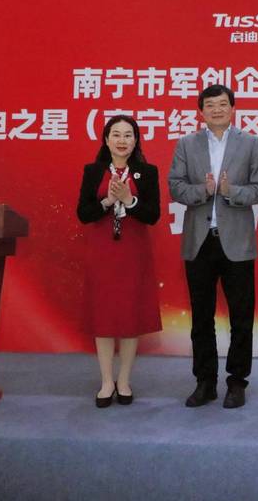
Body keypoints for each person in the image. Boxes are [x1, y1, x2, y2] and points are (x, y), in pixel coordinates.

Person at [169, 84, 258, 409]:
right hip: (199, 242)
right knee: (201, 317)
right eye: (210, 105)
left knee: (242, 317)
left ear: (233, 108)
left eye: (223, 104)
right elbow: (175, 187)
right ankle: (205, 382)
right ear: (201, 111)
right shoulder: (187, 144)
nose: (216, 110)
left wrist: (230, 191)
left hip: (237, 243)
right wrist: (204, 190)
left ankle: (237, 382)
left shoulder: (251, 143)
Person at [76, 115, 162, 408]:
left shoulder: (147, 172)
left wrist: (130, 200)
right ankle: (106, 381)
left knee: (129, 316)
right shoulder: (93, 171)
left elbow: (152, 215)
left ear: (136, 140)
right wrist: (108, 202)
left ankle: (123, 380)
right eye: (116, 134)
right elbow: (83, 213)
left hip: (133, 252)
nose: (122, 140)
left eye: (128, 135)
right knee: (103, 315)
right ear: (106, 139)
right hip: (102, 252)